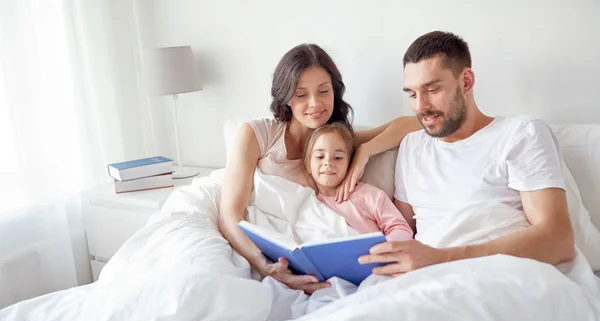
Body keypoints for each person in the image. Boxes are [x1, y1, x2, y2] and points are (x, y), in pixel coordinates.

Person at [354, 31, 574, 274]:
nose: (420, 106)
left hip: (498, 275)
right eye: (412, 94)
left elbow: (558, 240)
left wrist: (442, 259)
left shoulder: (520, 134)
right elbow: (398, 230)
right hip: (424, 280)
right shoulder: (412, 146)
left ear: (466, 81)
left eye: (433, 89)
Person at [218, 43, 421, 294]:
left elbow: (412, 123)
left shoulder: (335, 141)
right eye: (301, 94)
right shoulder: (258, 134)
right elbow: (230, 216)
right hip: (268, 259)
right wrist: (266, 267)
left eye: (323, 91)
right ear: (286, 97)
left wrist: (365, 152)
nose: (315, 104)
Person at [304, 122, 413, 241]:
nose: (328, 162)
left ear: (350, 164)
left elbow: (402, 229)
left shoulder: (370, 195)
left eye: (338, 157)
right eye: (320, 156)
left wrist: (380, 249)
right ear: (308, 165)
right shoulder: (309, 205)